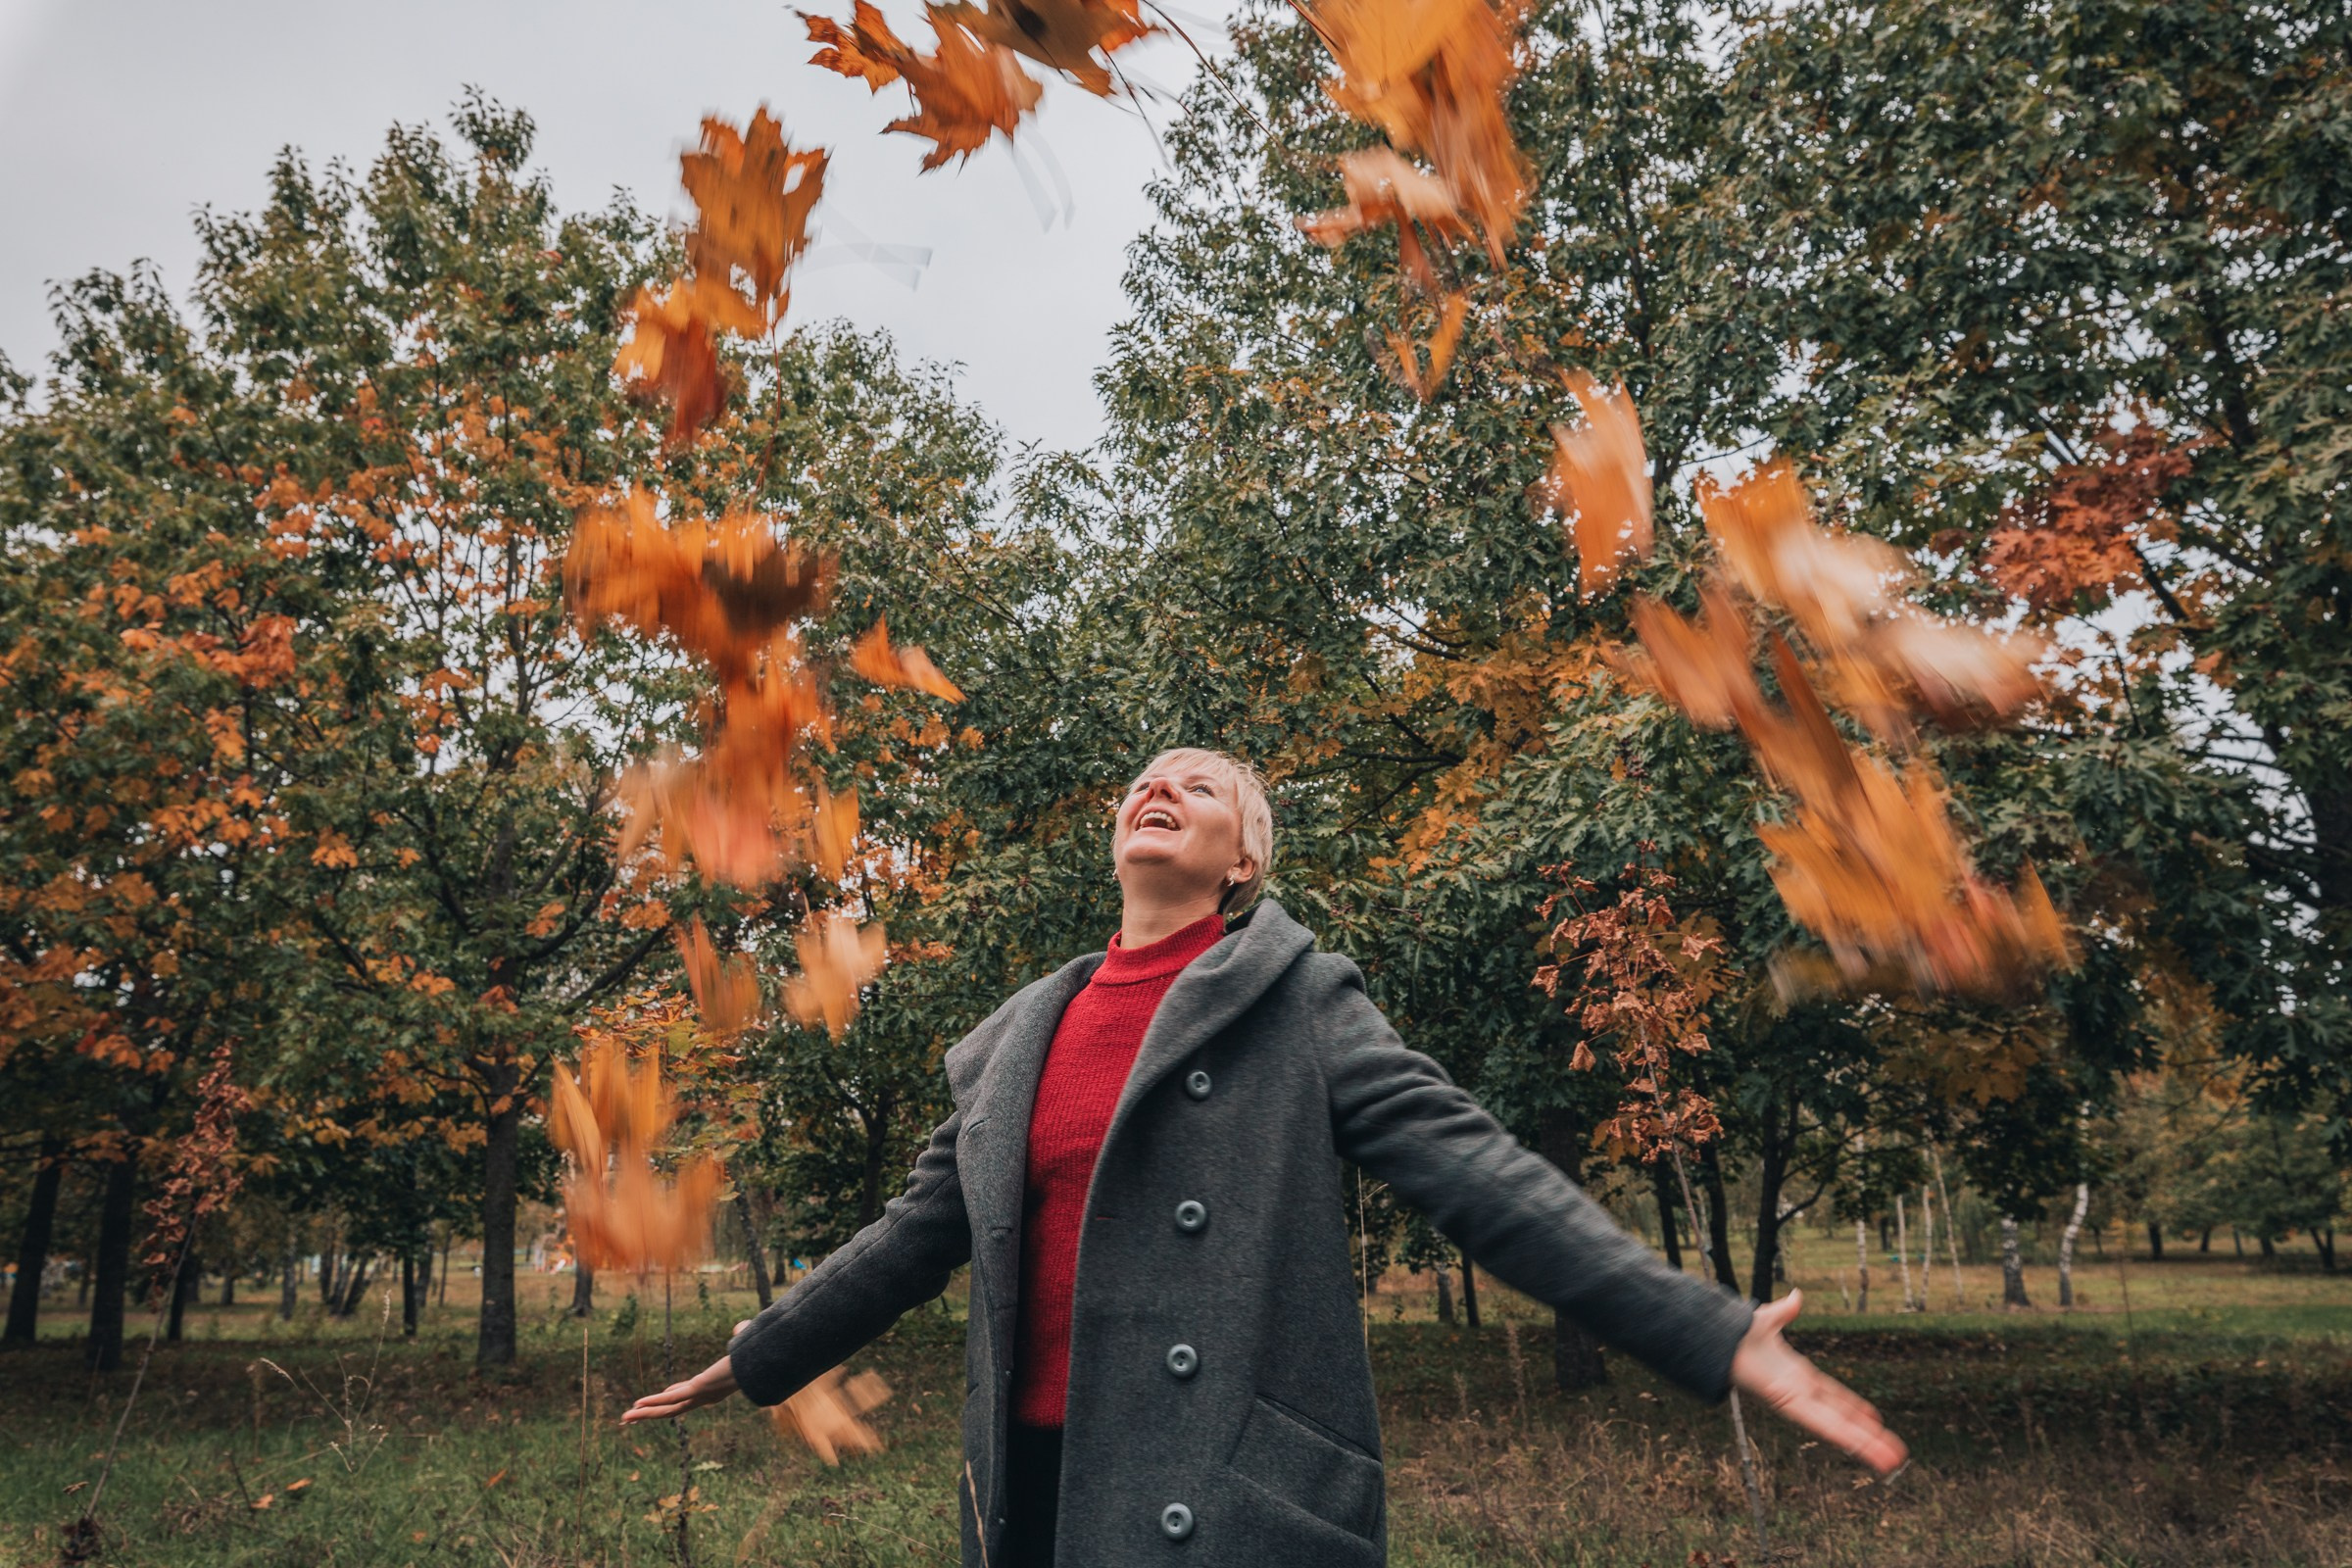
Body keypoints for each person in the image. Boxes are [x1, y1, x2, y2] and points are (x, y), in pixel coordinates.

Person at [624, 748, 1904, 1566]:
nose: (1160, 789)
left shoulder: (1297, 1001)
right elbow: (910, 1239)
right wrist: (757, 1358)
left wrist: (1704, 1326)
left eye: (1203, 785)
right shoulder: (1018, 1039)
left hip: (1219, 1497)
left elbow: (1478, 1174)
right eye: (1146, 781)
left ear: (1243, 862)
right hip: (1033, 1497)